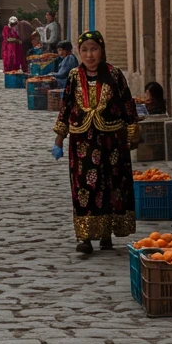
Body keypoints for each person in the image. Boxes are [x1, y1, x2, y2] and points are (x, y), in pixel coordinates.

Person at [52, 31, 138, 253]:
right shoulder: (73, 76)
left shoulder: (115, 75)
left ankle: (106, 234)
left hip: (112, 143)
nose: (89, 55)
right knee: (85, 188)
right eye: (84, 50)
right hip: (82, 144)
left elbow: (128, 104)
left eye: (94, 49)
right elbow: (66, 106)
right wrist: (59, 138)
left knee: (111, 187)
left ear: (102, 51)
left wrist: (132, 133)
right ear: (79, 52)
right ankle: (85, 237)